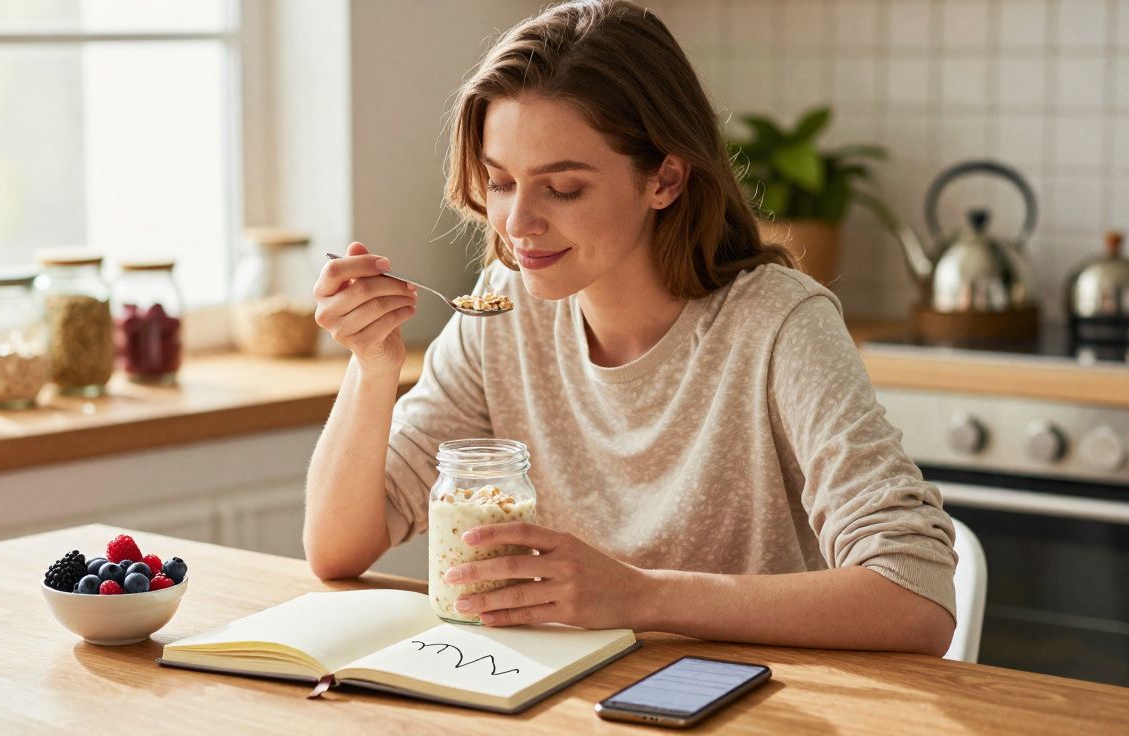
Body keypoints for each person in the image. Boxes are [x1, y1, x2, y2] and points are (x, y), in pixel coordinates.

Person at [304, 0, 956, 655]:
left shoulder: (779, 324)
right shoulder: (504, 308)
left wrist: (641, 596)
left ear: (665, 179)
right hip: (562, 702)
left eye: (562, 189)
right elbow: (337, 549)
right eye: (500, 182)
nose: (518, 222)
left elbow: (915, 599)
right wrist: (372, 367)